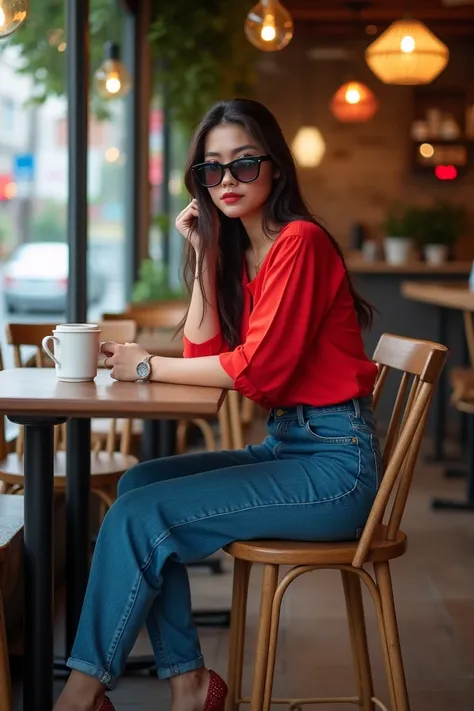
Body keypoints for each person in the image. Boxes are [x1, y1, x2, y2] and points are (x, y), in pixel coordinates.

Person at [53, 98, 381, 711]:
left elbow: (255, 371)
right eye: (212, 169)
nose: (227, 180)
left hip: (337, 469)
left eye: (244, 164)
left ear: (275, 168)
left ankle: (80, 693)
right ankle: (190, 684)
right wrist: (205, 250)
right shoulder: (245, 250)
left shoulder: (300, 242)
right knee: (137, 486)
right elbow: (203, 351)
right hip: (291, 445)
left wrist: (145, 365)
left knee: (140, 517)